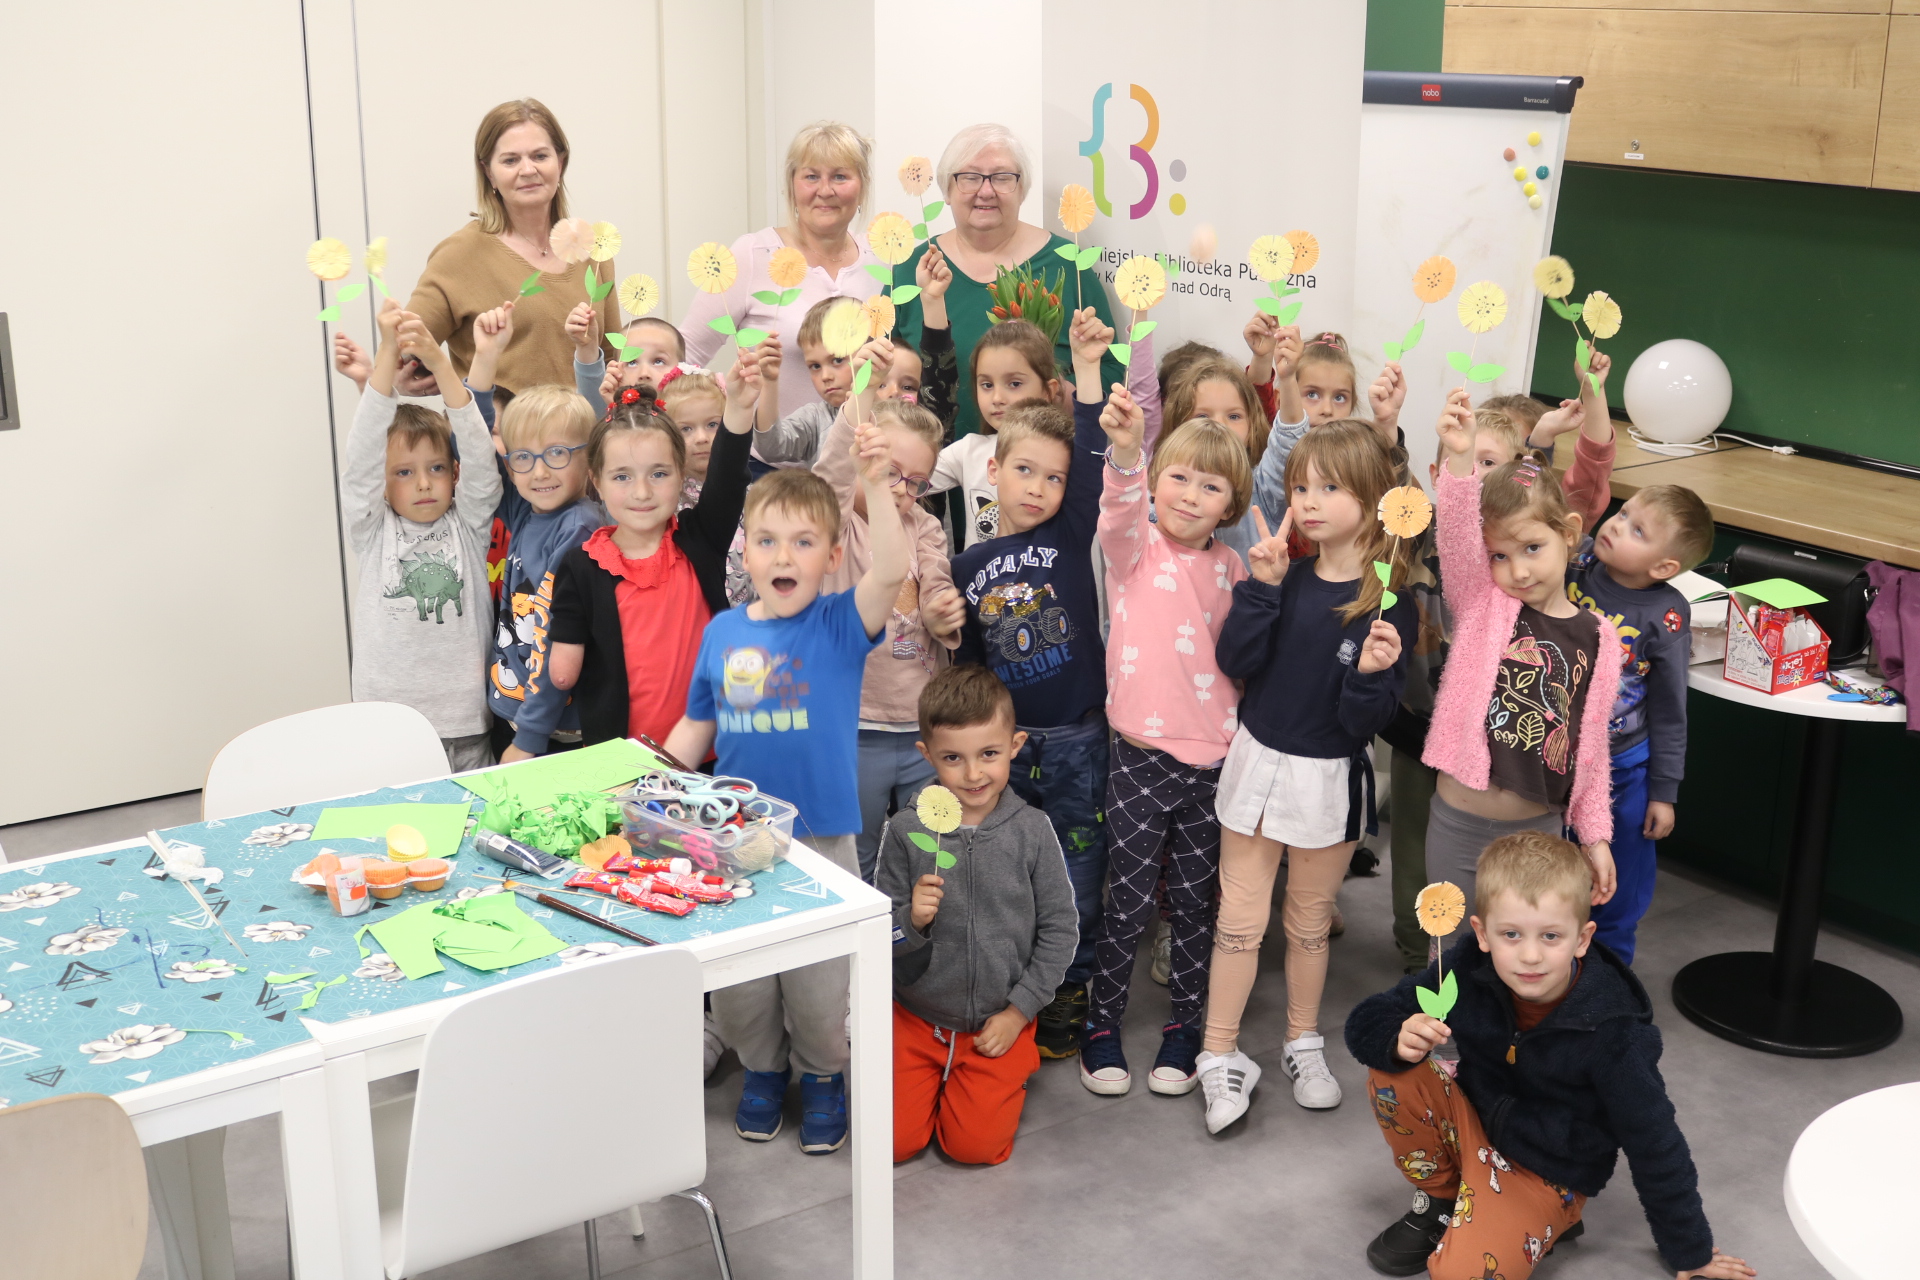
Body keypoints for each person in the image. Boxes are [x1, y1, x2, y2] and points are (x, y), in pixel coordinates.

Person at [1344, 831, 1755, 1280]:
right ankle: (1444, 1199)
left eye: (1552, 936)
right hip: (1473, 1126)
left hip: (1545, 1172)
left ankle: (1548, 1215)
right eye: (1511, 934)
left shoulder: (1613, 1032)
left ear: (1583, 939)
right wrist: (1397, 1036)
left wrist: (1690, 1252)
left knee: (1461, 1273)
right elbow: (1370, 1018)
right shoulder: (1464, 966)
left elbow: (1655, 1140)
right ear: (1482, 934)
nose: (1531, 955)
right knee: (1394, 1071)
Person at [663, 427, 910, 1155]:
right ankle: (762, 1071)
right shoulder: (724, 631)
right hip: (733, 842)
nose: (783, 556)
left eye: (804, 543)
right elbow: (694, 726)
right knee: (739, 989)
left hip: (825, 838)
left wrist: (875, 477)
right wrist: (646, 780)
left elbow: (892, 568)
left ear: (832, 559)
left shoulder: (841, 623)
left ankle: (822, 1076)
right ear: (746, 553)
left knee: (817, 984)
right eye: (766, 541)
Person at [1196, 421, 1416, 1131]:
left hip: (1328, 778)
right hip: (1257, 765)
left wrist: (1373, 674)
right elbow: (1237, 660)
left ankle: (1301, 1040)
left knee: (1309, 927)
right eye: (1300, 486)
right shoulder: (1280, 576)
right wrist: (1258, 590)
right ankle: (1218, 1055)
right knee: (1237, 922)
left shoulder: (1392, 602)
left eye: (1329, 487)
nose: (1308, 500)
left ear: (1374, 497)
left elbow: (1362, 724)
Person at [1386, 358, 1617, 973]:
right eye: (1500, 556)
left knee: (1524, 966)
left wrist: (1594, 838)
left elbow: (1590, 750)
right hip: (1459, 822)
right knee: (1452, 957)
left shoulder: (1599, 637)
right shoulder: (1484, 603)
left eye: (1533, 549)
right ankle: (1446, 1060)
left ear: (1570, 535)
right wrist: (1459, 459)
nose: (1517, 569)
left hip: (1539, 833)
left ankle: (1507, 1064)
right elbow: (1460, 537)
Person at [950, 309, 1115, 1059]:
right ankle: (1016, 979)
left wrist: (1086, 369)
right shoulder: (967, 569)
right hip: (1009, 748)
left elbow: (1089, 446)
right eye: (1024, 470)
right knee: (1011, 867)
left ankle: (1070, 984)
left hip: (1079, 739)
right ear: (993, 471)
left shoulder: (1071, 534)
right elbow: (968, 671)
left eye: (1053, 477)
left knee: (1078, 865)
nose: (1040, 487)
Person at [1079, 404, 1249, 1098]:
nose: (1189, 494)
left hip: (1215, 760)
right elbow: (1117, 512)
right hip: (1141, 754)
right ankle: (1102, 1024)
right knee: (1127, 901)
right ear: (1155, 483)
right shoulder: (1135, 548)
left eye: (1210, 486)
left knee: (1192, 904)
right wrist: (1125, 455)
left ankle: (1185, 1026)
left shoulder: (1235, 565)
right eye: (1177, 477)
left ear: (1231, 503)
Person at [882, 665, 1078, 1166]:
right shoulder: (905, 831)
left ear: (1015, 745)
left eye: (989, 754)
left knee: (974, 1149)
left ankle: (992, 1078)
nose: (973, 774)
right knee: (894, 1144)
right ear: (927, 756)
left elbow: (1060, 929)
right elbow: (879, 935)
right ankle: (927, 1080)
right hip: (916, 1019)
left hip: (998, 1021)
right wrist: (911, 920)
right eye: (953, 758)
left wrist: (1019, 1012)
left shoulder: (1032, 831)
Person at [537, 354, 758, 752]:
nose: (641, 492)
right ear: (596, 482)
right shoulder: (581, 565)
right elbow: (563, 674)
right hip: (622, 760)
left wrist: (740, 406)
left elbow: (728, 477)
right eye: (622, 476)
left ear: (681, 472)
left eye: (658, 474)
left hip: (713, 754)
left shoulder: (699, 538)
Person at [807, 380, 966, 882]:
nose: (901, 491)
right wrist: (859, 397)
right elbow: (828, 476)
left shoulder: (923, 526)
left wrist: (941, 613)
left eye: (915, 481)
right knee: (857, 851)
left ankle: (912, 943)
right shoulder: (837, 524)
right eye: (890, 473)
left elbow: (937, 577)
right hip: (856, 729)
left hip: (920, 727)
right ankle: (866, 946)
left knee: (927, 851)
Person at [340, 301, 502, 771]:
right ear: (383, 483)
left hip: (466, 724)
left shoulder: (468, 524)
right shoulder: (372, 529)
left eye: (435, 468)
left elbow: (477, 451)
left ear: (454, 473)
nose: (425, 483)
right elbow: (365, 453)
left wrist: (441, 365)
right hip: (387, 727)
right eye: (405, 473)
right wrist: (388, 352)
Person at [892, 122, 1123, 439]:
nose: (986, 191)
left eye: (1002, 178)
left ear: (1022, 188)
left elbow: (1113, 370)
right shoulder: (914, 268)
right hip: (931, 473)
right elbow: (884, 370)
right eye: (969, 177)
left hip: (1042, 474)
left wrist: (1061, 392)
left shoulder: (1068, 264)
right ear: (947, 190)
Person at [1567, 480, 1714, 964]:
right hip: (1552, 761)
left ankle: (1608, 992)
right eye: (1623, 512)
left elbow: (1671, 710)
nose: (1615, 525)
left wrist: (1663, 792)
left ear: (1664, 567)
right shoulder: (1577, 563)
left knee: (1615, 889)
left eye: (1637, 529)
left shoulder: (1667, 615)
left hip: (1623, 772)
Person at [408, 99, 618, 396]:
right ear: (489, 173)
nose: (528, 169)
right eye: (510, 160)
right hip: (499, 440)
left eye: (540, 156)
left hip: (586, 439)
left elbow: (611, 359)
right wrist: (398, 377)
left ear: (561, 163)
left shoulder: (593, 247)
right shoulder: (459, 254)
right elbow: (405, 349)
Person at [681, 121, 884, 422]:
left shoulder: (881, 261)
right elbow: (686, 355)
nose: (825, 190)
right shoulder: (752, 255)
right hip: (765, 465)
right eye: (811, 176)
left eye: (840, 176)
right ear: (791, 184)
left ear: (863, 185)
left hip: (857, 462)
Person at [928, 318, 1061, 549]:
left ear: (1048, 391)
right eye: (987, 385)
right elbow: (909, 476)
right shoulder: (968, 450)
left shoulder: (1064, 454)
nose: (997, 398)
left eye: (1014, 383)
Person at [569, 308, 685, 416]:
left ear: (682, 370)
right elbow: (592, 408)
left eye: (658, 361)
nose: (644, 374)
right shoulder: (611, 417)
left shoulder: (693, 416)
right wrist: (587, 347)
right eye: (632, 363)